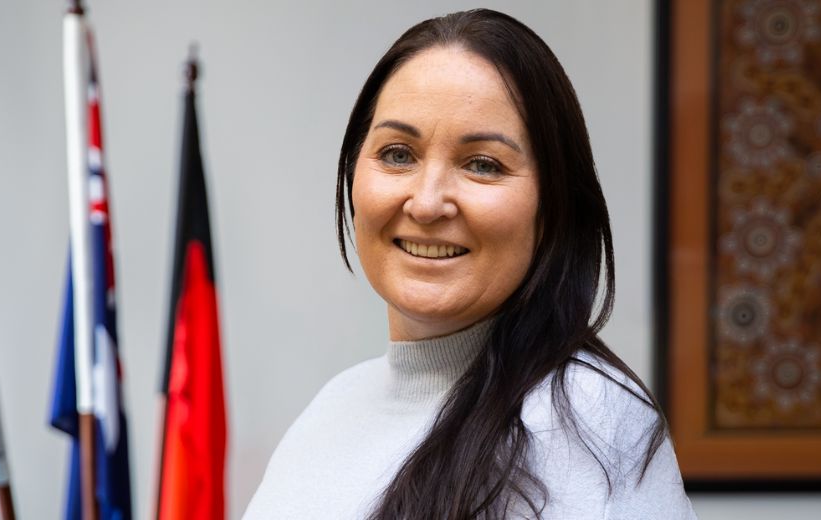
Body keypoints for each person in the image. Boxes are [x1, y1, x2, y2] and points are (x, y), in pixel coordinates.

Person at [243, 9, 696, 519]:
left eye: (482, 164)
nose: (428, 202)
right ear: (353, 175)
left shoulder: (583, 418)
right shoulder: (334, 406)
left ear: (552, 207)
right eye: (397, 154)